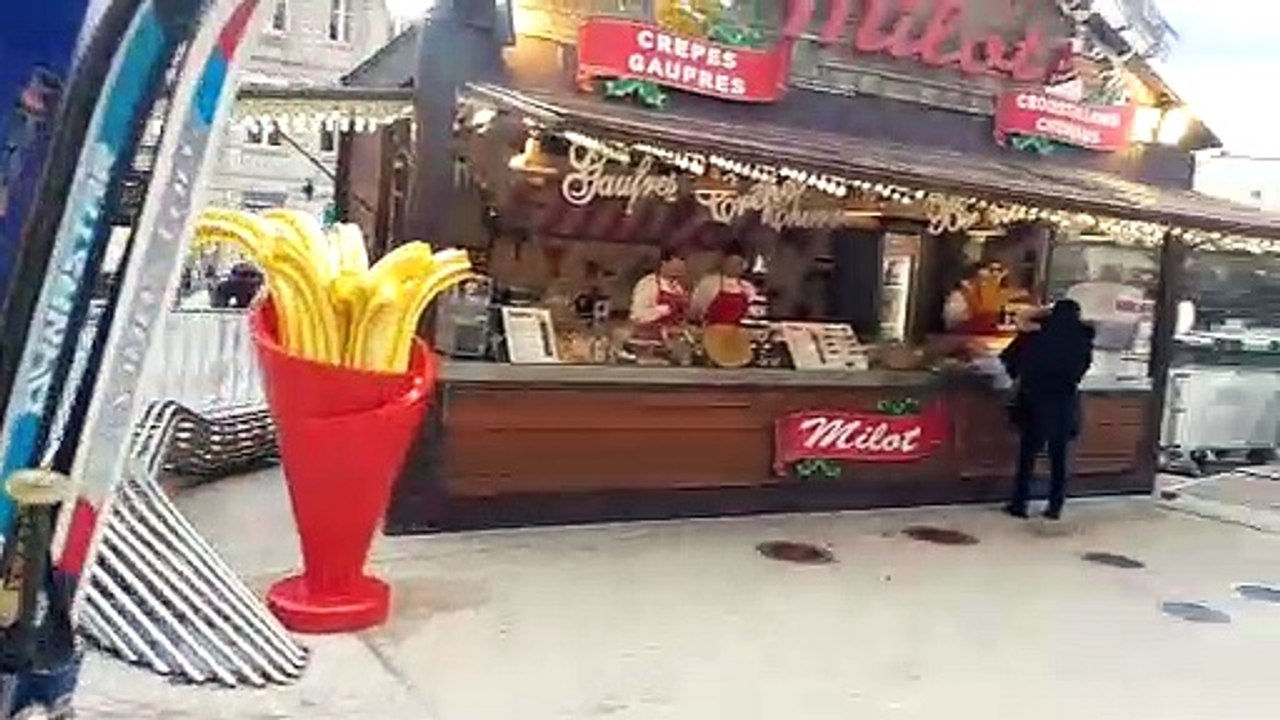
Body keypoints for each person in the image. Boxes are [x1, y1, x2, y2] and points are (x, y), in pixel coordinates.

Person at [999, 299, 1096, 520]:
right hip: (1064, 402)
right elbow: (1081, 370)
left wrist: (1023, 376)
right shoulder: (1081, 341)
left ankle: (1020, 503)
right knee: (1059, 458)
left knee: (1027, 455)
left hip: (1034, 399)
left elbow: (1008, 359)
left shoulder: (1036, 336)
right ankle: (1055, 506)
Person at [690, 241, 757, 326]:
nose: (735, 267)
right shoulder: (709, 283)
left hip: (739, 331)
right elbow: (695, 312)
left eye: (738, 264)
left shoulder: (748, 287)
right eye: (731, 263)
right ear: (723, 262)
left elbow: (752, 314)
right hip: (711, 330)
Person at [628, 247, 688, 340]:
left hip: (672, 336)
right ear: (664, 263)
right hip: (649, 337)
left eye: (683, 264)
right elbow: (637, 314)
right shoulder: (648, 284)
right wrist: (660, 311)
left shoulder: (678, 286)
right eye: (678, 263)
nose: (681, 268)